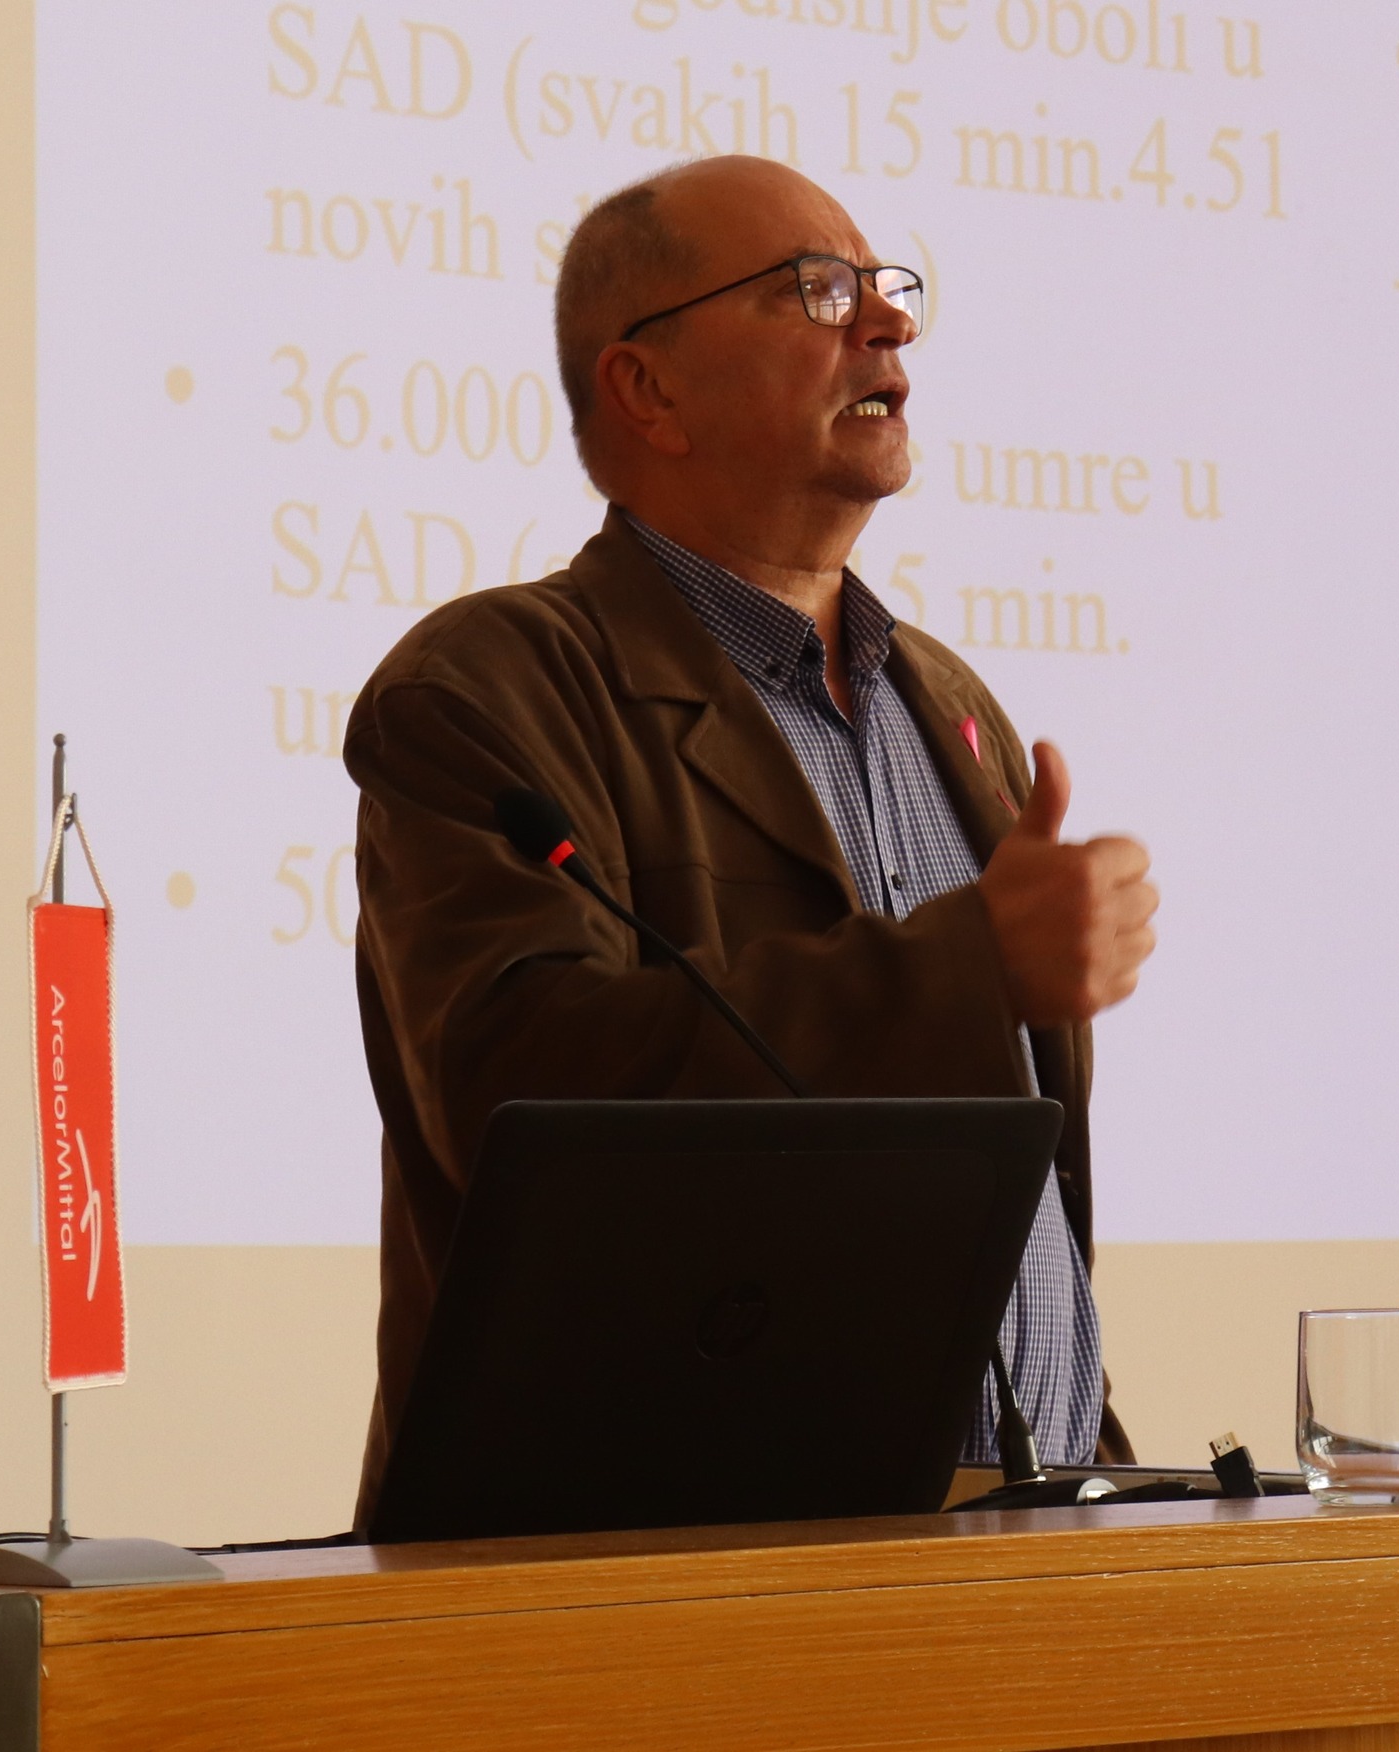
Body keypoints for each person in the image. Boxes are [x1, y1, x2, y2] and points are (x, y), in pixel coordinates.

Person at [343, 154, 1159, 1527]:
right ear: (646, 389)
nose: (888, 324)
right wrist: (965, 969)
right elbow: (523, 1094)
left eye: (887, 288)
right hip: (658, 1566)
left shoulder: (953, 710)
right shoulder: (490, 689)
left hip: (1034, 1533)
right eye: (817, 291)